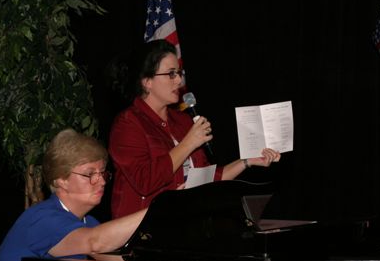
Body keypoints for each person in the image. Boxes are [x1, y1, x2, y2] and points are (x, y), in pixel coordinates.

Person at [106, 40, 281, 219]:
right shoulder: (127, 123)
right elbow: (145, 181)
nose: (180, 81)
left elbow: (206, 179)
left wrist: (246, 161)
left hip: (184, 221)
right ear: (147, 81)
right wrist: (188, 143)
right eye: (171, 74)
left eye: (179, 73)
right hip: (144, 229)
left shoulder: (182, 120)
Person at [0, 128, 147, 261]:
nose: (101, 181)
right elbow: (95, 242)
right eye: (90, 174)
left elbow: (118, 259)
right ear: (61, 180)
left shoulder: (89, 223)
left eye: (102, 173)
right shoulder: (40, 219)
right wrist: (159, 208)